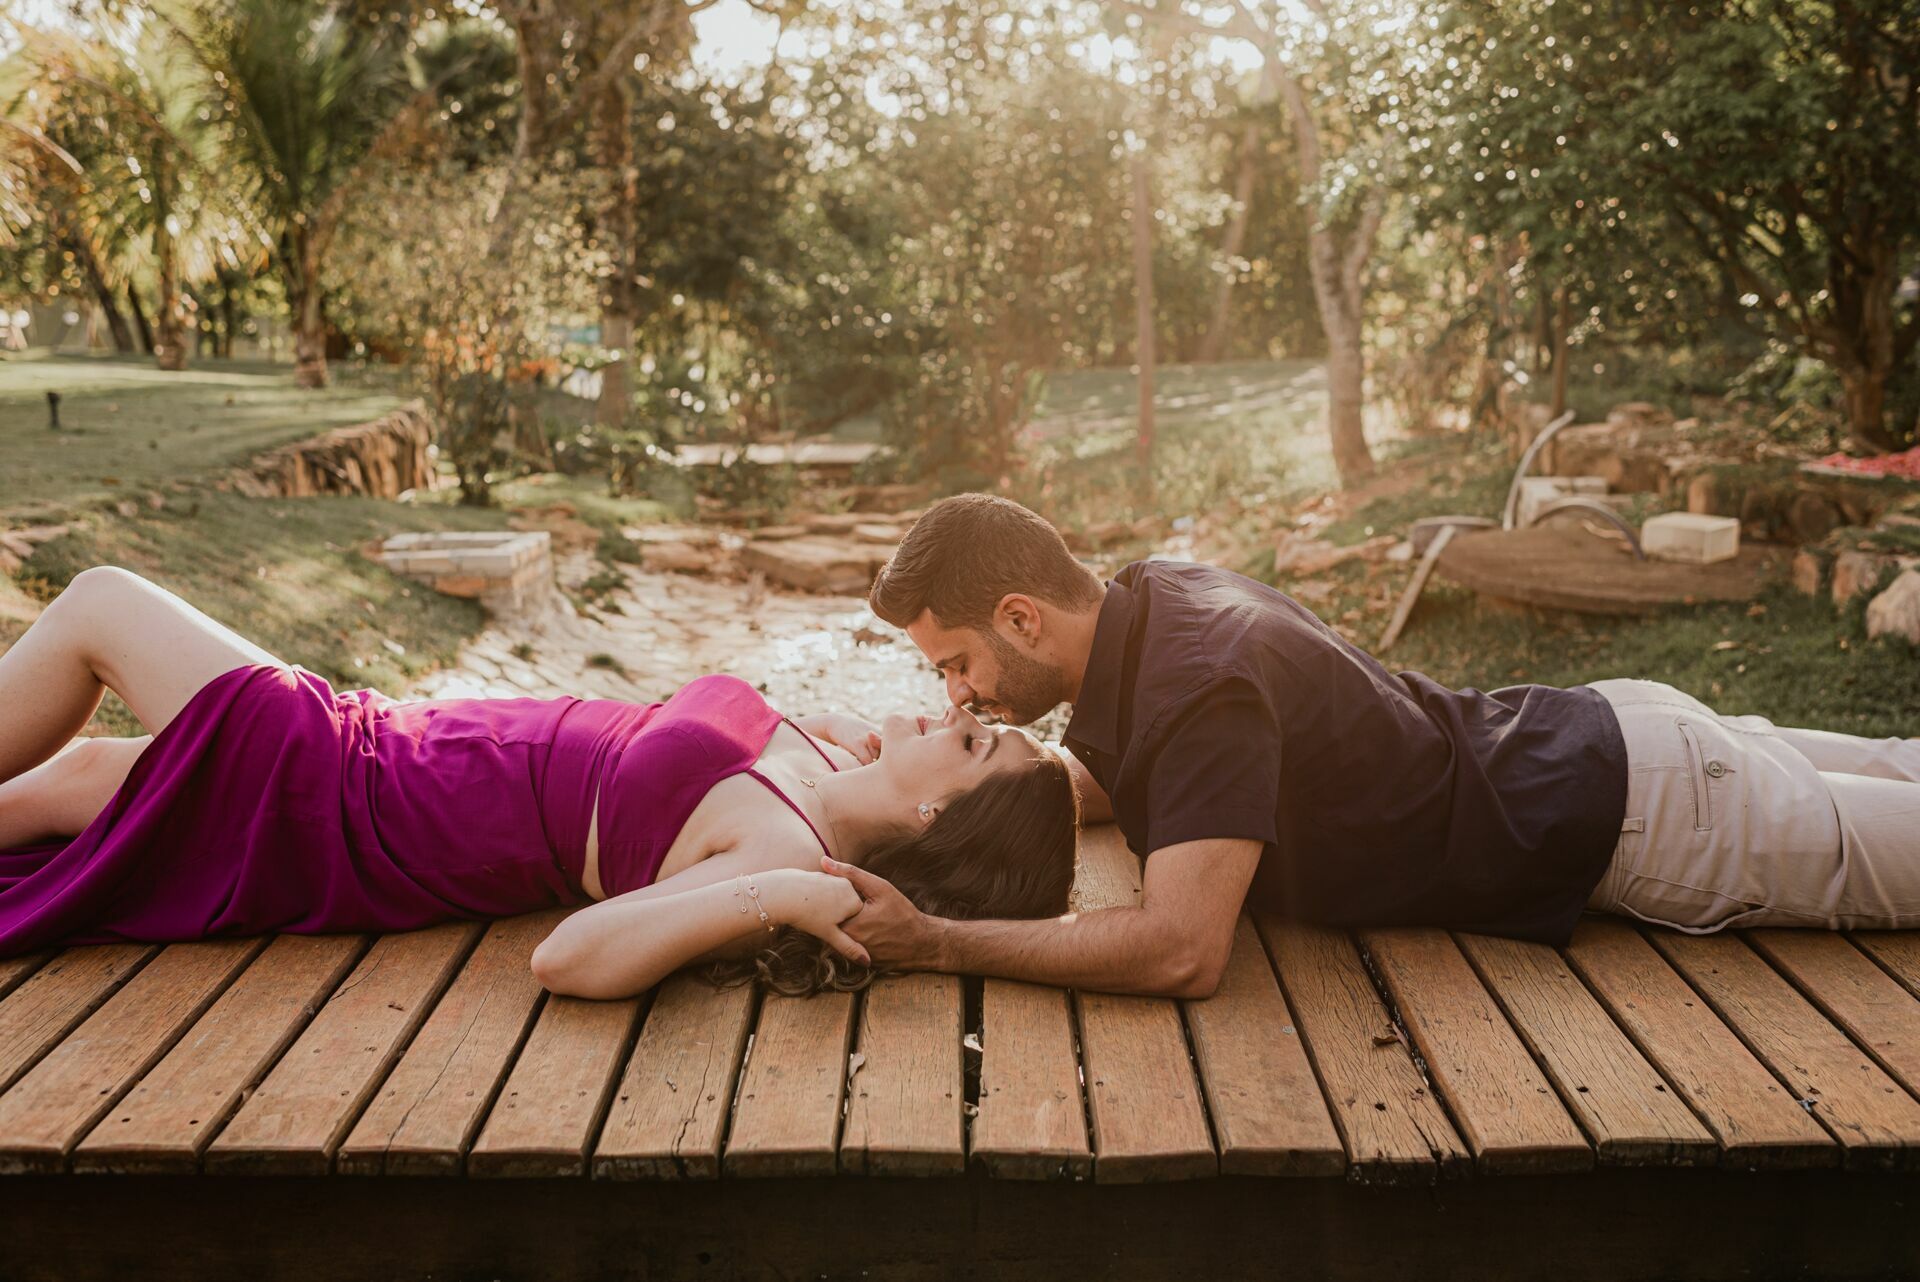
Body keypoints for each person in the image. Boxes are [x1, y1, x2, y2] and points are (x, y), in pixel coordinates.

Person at [824, 493, 1920, 998]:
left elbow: (1179, 949)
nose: (957, 691)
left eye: (953, 661)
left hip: (1661, 814)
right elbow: (1116, 773)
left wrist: (939, 938)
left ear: (1022, 616)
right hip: (1620, 737)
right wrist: (911, 798)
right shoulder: (1153, 601)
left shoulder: (1196, 692)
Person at [0, 566, 1077, 998]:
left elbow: (569, 958)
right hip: (389, 735)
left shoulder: (789, 855)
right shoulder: (831, 758)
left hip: (350, 798)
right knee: (80, 776)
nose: (962, 715)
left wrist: (789, 900)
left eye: (979, 744)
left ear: (940, 814)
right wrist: (919, 733)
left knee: (97, 601)